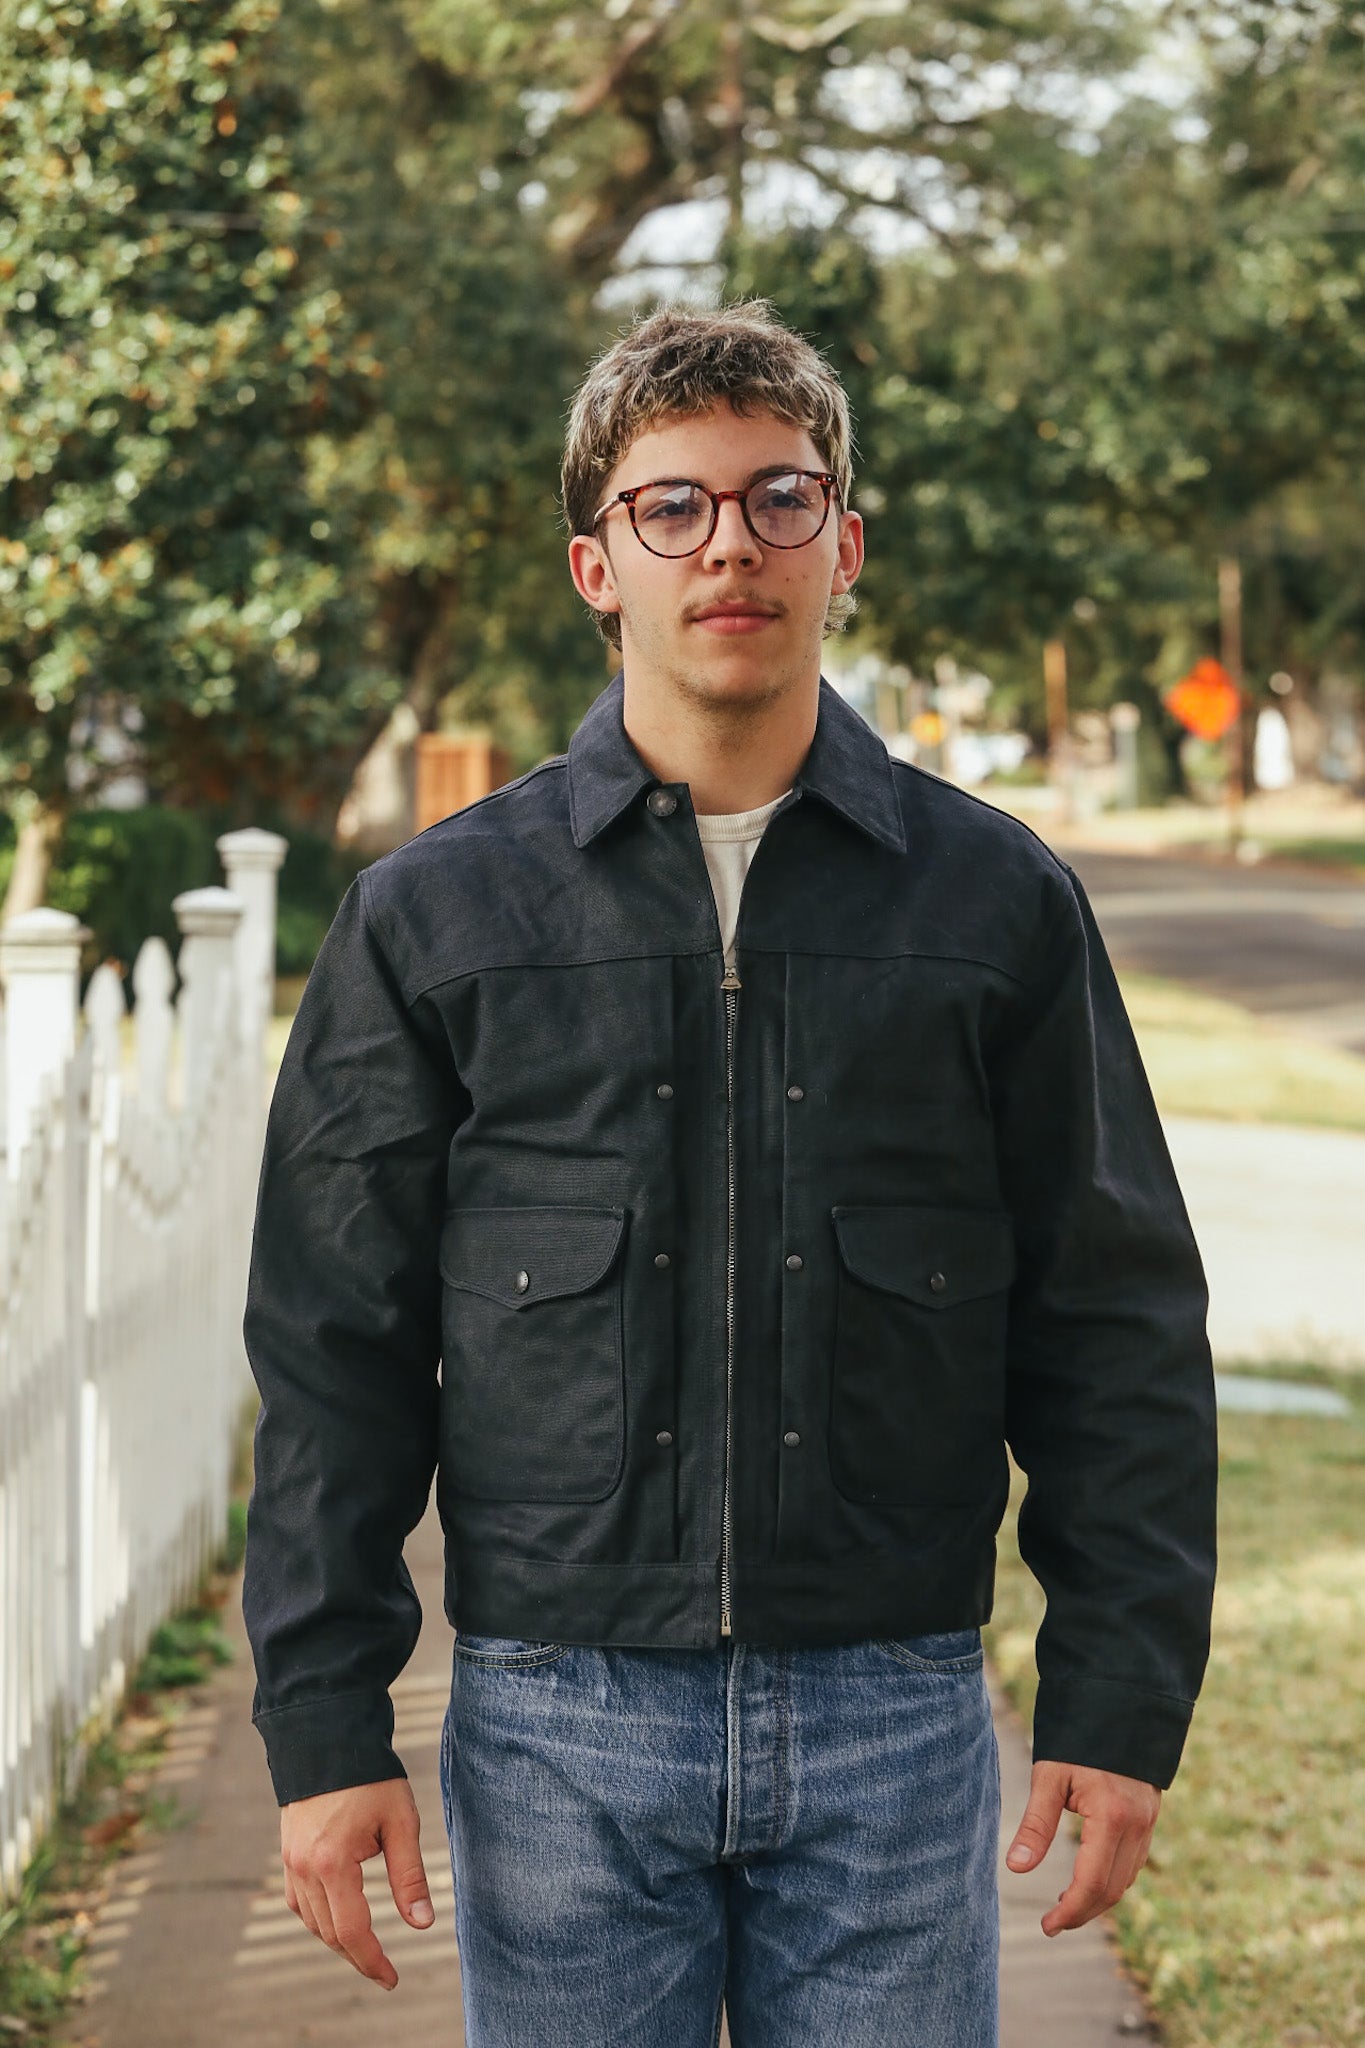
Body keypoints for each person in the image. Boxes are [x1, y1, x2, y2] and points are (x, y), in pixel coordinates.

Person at [241, 300, 1218, 2047]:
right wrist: (326, 1727)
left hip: (895, 1710)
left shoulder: (994, 907)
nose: (729, 549)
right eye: (669, 508)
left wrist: (1118, 1694)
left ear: (840, 546)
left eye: (778, 500)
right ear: (594, 565)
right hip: (555, 1719)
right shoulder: (435, 920)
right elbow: (334, 1345)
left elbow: (1114, 1316)